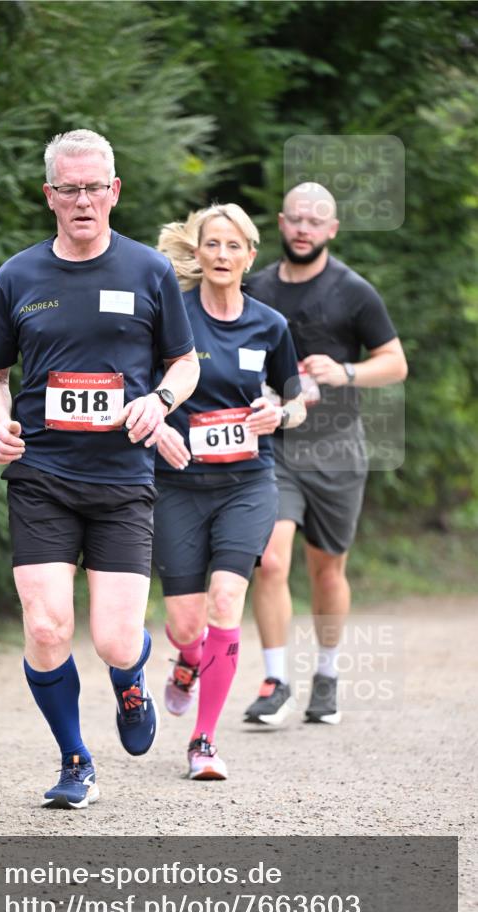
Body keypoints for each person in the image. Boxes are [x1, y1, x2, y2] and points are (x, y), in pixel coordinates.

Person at [0, 129, 199, 808]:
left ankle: (130, 680)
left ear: (114, 191)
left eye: (93, 187)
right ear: (49, 196)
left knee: (113, 637)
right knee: (45, 626)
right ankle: (74, 758)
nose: (81, 199)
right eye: (67, 188)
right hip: (40, 472)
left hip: (122, 480)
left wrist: (158, 404)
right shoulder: (17, 277)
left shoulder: (148, 272)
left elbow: (183, 364)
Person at [242, 182, 408, 727]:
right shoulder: (258, 287)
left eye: (316, 221)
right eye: (295, 218)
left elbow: (395, 362)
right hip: (276, 444)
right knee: (269, 560)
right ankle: (276, 681)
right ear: (282, 223)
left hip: (337, 447)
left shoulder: (354, 291)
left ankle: (328, 675)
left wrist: (348, 372)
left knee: (327, 569)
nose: (304, 229)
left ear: (331, 230)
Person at [154, 204, 305, 780]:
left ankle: (203, 742)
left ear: (249, 255)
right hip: (179, 486)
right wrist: (161, 425)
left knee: (225, 604)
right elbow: (147, 389)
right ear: (197, 253)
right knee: (186, 624)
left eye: (232, 246)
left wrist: (278, 413)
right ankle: (187, 661)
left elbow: (294, 400)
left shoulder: (270, 325)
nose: (221, 255)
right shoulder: (173, 320)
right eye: (211, 245)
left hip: (247, 481)